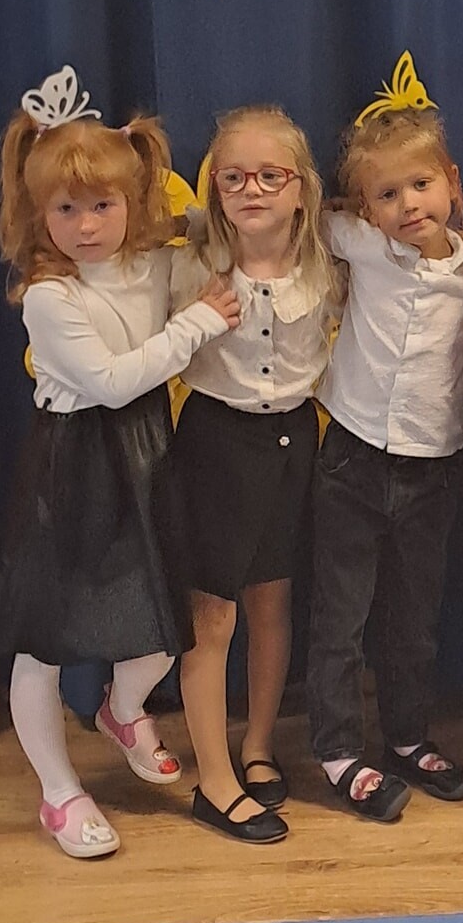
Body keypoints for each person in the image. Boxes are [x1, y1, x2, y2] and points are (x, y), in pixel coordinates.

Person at [0, 102, 238, 859]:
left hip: (147, 453)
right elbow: (112, 383)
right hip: (74, 461)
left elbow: (217, 235)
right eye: (65, 209)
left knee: (164, 615)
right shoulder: (48, 296)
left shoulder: (152, 260)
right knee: (45, 641)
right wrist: (197, 323)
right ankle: (59, 790)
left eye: (103, 205)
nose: (86, 225)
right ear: (38, 213)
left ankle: (123, 710)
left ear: (133, 201)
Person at [170, 106, 339, 843]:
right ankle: (213, 781)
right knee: (212, 616)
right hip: (214, 443)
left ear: (301, 188)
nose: (253, 190)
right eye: (234, 177)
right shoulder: (188, 263)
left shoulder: (330, 259)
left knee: (273, 600)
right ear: (214, 186)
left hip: (292, 441)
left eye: (272, 175)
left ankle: (259, 744)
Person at [307, 106, 463, 821]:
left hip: (432, 468)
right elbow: (297, 216)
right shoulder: (361, 242)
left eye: (420, 185)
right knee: (340, 618)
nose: (408, 205)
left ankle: (407, 737)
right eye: (387, 194)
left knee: (413, 618)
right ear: (365, 207)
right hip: (351, 456)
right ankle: (338, 750)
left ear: (451, 182)